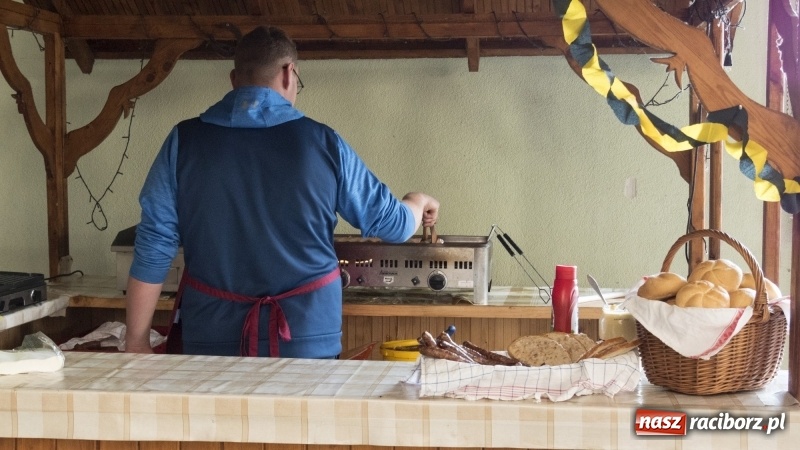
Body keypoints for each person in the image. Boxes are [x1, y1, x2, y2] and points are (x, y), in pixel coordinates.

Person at [124, 26, 439, 358]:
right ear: (290, 73)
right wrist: (418, 201)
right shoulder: (324, 143)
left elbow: (154, 246)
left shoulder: (183, 141)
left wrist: (136, 341)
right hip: (306, 338)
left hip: (211, 339)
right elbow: (395, 225)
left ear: (234, 79)